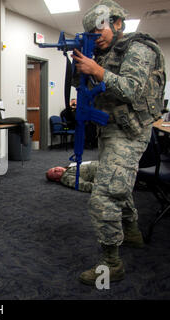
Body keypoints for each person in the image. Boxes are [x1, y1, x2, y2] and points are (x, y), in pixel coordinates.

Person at [72, 0, 166, 285]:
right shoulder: (104, 53)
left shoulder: (139, 48)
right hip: (110, 129)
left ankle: (111, 263)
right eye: (91, 31)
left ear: (117, 23)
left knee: (104, 195)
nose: (96, 34)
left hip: (130, 132)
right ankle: (133, 233)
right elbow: (100, 90)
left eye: (100, 28)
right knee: (117, 185)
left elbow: (133, 90)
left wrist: (97, 70)